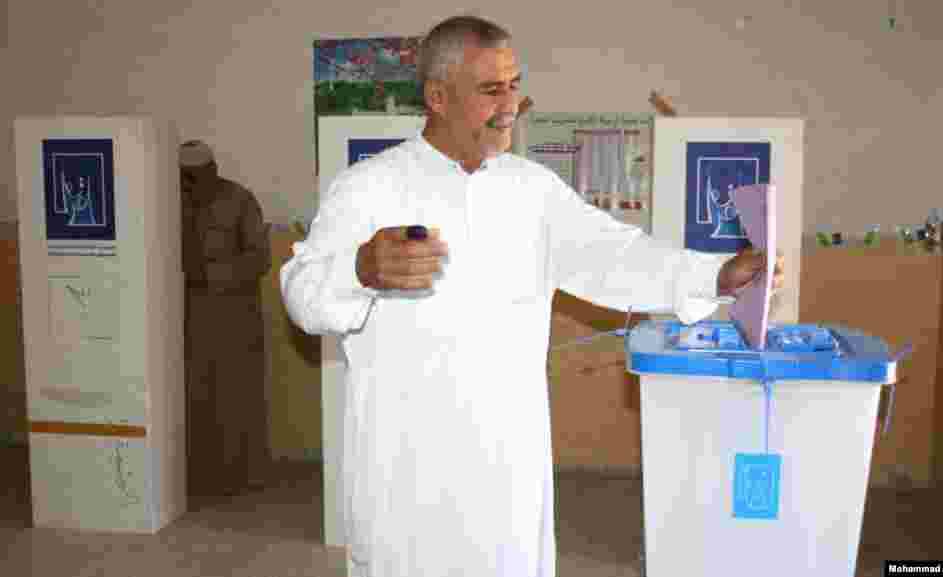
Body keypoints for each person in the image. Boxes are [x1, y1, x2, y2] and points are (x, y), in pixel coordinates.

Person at [279, 15, 783, 577]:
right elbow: (302, 296)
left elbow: (618, 255)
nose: (511, 104)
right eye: (492, 89)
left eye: (515, 85)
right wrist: (359, 269)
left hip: (506, 466)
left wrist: (715, 275)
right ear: (438, 97)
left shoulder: (532, 190)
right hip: (407, 470)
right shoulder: (367, 188)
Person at [180, 140, 272, 500]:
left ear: (212, 169)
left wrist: (209, 274)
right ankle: (199, 475)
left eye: (200, 175)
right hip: (187, 317)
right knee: (194, 394)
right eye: (187, 178)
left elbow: (259, 258)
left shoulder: (239, 200)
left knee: (238, 396)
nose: (193, 184)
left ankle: (243, 476)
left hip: (235, 316)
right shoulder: (169, 202)